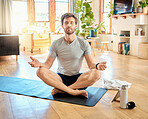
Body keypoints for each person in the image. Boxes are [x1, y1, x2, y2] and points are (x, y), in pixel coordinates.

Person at [28, 13, 107, 98]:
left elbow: (91, 65)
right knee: (40, 71)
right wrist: (40, 64)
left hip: (78, 80)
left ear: (76, 25)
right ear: (62, 25)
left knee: (97, 73)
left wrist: (97, 65)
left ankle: (63, 90)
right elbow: (47, 65)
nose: (69, 25)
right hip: (60, 79)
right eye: (66, 23)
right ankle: (73, 92)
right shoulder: (56, 44)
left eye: (72, 23)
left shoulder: (83, 43)